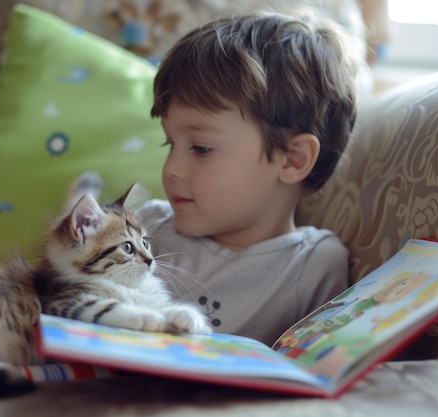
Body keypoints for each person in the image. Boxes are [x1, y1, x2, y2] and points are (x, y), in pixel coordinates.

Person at [140, 11, 358, 346]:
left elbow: (320, 364)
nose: (172, 169)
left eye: (200, 148)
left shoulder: (312, 263)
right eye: (170, 144)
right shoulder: (145, 229)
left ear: (292, 159)